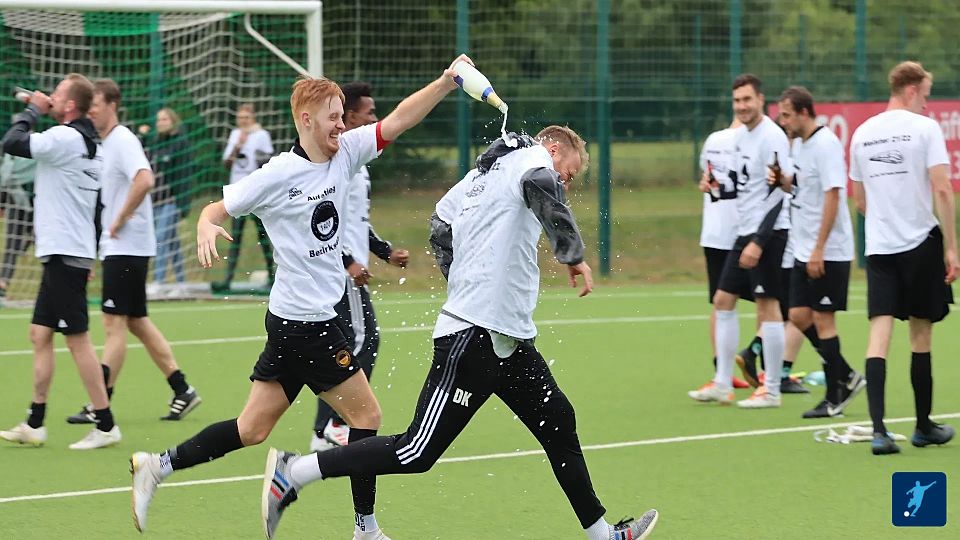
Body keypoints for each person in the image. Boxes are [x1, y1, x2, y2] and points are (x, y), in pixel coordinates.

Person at [129, 54, 475, 539]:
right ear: (307, 120)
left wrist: (445, 81)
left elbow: (398, 120)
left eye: (343, 116)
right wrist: (207, 225)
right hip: (306, 324)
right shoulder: (277, 175)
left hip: (295, 319)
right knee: (367, 416)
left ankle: (157, 466)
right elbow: (215, 208)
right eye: (334, 116)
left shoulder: (347, 153)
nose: (342, 124)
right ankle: (366, 529)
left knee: (252, 429)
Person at [259, 126, 659, 540]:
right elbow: (541, 184)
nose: (565, 185)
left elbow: (440, 223)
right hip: (473, 339)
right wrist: (571, 253)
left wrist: (463, 277)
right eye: (569, 174)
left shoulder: (482, 175)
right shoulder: (534, 161)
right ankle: (296, 471)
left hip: (511, 340)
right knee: (415, 452)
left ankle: (603, 535)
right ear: (553, 148)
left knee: (559, 421)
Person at [62, 79, 201, 426]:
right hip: (121, 247)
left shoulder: (123, 139)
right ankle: (182, 390)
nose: (91, 110)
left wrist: (121, 219)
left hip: (127, 246)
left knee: (113, 324)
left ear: (112, 104)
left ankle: (101, 401)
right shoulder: (105, 143)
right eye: (88, 105)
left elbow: (145, 179)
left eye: (96, 104)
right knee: (136, 321)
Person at [0, 73, 119, 449]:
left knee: (78, 341)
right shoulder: (85, 142)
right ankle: (35, 423)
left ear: (69, 106)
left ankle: (105, 425)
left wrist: (33, 109)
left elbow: (12, 142)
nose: (50, 97)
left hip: (66, 253)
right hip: (66, 252)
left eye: (56, 95)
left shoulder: (66, 138)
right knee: (40, 334)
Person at [849, 61, 957, 455]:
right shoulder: (924, 129)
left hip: (879, 247)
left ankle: (879, 432)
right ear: (911, 89)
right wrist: (951, 245)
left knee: (879, 334)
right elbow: (942, 189)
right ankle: (923, 426)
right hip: (919, 243)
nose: (927, 104)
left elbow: (859, 200)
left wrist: (884, 218)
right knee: (920, 334)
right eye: (926, 95)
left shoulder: (862, 133)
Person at [310, 81, 410, 452]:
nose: (374, 118)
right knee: (358, 342)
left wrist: (383, 252)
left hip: (347, 269)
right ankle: (329, 427)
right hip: (339, 272)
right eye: (369, 113)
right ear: (350, 117)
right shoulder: (336, 162)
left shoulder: (354, 160)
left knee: (347, 343)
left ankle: (329, 425)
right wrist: (349, 262)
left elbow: (354, 220)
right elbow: (322, 221)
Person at [689, 74, 791, 408]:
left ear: (761, 100)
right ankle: (722, 383)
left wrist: (759, 241)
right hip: (743, 231)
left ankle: (771, 389)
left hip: (768, 233)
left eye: (747, 99)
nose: (742, 106)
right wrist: (712, 185)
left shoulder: (772, 137)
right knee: (722, 299)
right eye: (737, 101)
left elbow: (780, 194)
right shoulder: (741, 138)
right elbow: (740, 184)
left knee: (768, 305)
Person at [771, 86, 865, 418]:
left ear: (804, 113)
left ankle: (834, 395)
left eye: (786, 114)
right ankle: (848, 375)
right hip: (801, 247)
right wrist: (782, 181)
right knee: (797, 315)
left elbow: (832, 196)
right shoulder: (798, 145)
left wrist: (819, 249)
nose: (782, 120)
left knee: (824, 320)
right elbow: (799, 186)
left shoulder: (826, 145)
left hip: (827, 251)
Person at [692, 118, 753, 393]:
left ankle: (723, 373)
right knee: (769, 303)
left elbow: (706, 179)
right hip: (745, 234)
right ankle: (761, 368)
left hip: (715, 234)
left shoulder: (712, 139)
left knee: (721, 303)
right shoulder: (756, 139)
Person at [211, 103, 275, 292]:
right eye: (240, 118)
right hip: (238, 193)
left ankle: (272, 277)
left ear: (253, 118)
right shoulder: (235, 135)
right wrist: (237, 147)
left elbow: (268, 161)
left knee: (263, 235)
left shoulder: (261, 135)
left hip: (256, 194)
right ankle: (228, 279)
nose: (243, 121)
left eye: (246, 118)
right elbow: (227, 163)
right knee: (235, 237)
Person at [140, 107, 192, 288]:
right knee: (172, 241)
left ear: (173, 121)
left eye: (164, 119)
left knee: (161, 237)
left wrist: (183, 205)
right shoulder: (155, 142)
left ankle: (159, 281)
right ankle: (181, 284)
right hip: (156, 201)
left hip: (172, 201)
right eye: (158, 120)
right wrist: (144, 137)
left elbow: (185, 175)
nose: (160, 123)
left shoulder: (180, 143)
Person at [0, 149, 36, 298]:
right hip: (18, 204)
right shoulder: (11, 155)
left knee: (38, 240)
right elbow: (5, 179)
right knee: (12, 246)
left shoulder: (38, 149)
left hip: (37, 203)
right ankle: (3, 284)